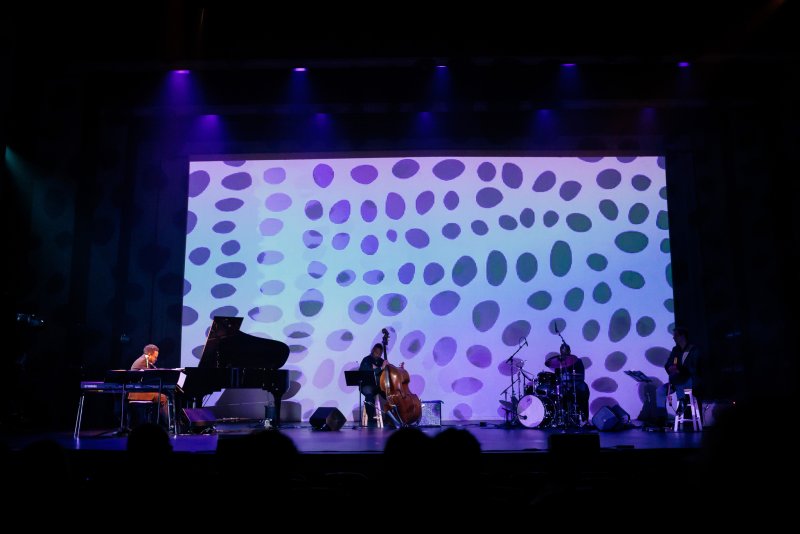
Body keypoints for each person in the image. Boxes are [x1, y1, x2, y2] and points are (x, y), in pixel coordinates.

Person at [656, 327, 700, 423]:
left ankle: (682, 400)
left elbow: (694, 367)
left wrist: (679, 370)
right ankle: (662, 419)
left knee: (679, 380)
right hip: (676, 382)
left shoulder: (693, 350)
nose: (673, 338)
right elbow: (668, 364)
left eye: (676, 335)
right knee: (660, 391)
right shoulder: (675, 350)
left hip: (690, 381)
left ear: (682, 336)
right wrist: (670, 368)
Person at [128, 344, 170, 425]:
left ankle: (158, 423)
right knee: (163, 397)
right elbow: (150, 376)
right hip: (136, 392)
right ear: (150, 354)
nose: (156, 359)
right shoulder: (143, 361)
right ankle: (168, 424)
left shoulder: (145, 360)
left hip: (141, 390)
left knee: (162, 395)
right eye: (155, 357)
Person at [549, 343, 590, 425]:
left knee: (584, 390)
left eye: (565, 352)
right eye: (562, 353)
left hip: (576, 384)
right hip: (563, 386)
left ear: (569, 351)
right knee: (556, 393)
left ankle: (584, 419)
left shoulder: (577, 361)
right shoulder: (559, 363)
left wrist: (570, 382)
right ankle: (560, 418)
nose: (563, 354)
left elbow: (581, 376)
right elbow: (557, 378)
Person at [358, 343, 387, 427]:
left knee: (390, 395)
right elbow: (368, 373)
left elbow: (386, 372)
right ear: (372, 351)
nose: (378, 355)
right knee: (369, 395)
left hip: (378, 386)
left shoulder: (381, 361)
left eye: (380, 353)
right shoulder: (366, 360)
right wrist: (380, 368)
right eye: (376, 353)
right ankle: (371, 419)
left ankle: (393, 418)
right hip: (366, 385)